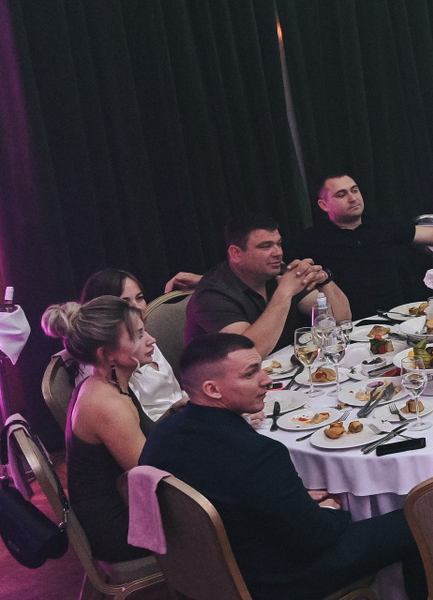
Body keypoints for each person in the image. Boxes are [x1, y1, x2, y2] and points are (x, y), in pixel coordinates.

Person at [141, 334, 426, 600]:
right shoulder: (257, 453)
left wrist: (293, 500)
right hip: (276, 583)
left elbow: (232, 494)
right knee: (419, 519)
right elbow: (316, 538)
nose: (266, 380)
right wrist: (330, 510)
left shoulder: (162, 434)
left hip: (206, 578)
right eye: (250, 374)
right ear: (212, 389)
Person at [41, 297, 162, 562]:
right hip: (120, 528)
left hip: (126, 505)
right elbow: (157, 480)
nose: (151, 340)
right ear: (106, 354)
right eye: (139, 335)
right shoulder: (108, 405)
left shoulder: (105, 383)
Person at [286, 173, 433, 317]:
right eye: (342, 194)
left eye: (355, 190)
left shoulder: (382, 226)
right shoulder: (310, 240)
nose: (353, 198)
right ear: (324, 205)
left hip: (398, 317)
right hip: (350, 326)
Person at [185, 216, 349, 355]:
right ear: (236, 253)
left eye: (279, 244)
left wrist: (325, 280)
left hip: (282, 369)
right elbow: (249, 352)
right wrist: (284, 292)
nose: (278, 252)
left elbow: (341, 319)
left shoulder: (278, 272)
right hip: (227, 380)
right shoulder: (211, 295)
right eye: (266, 246)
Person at [80, 269, 187, 418]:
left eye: (140, 298)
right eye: (125, 302)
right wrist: (176, 410)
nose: (138, 307)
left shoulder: (145, 337)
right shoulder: (103, 369)